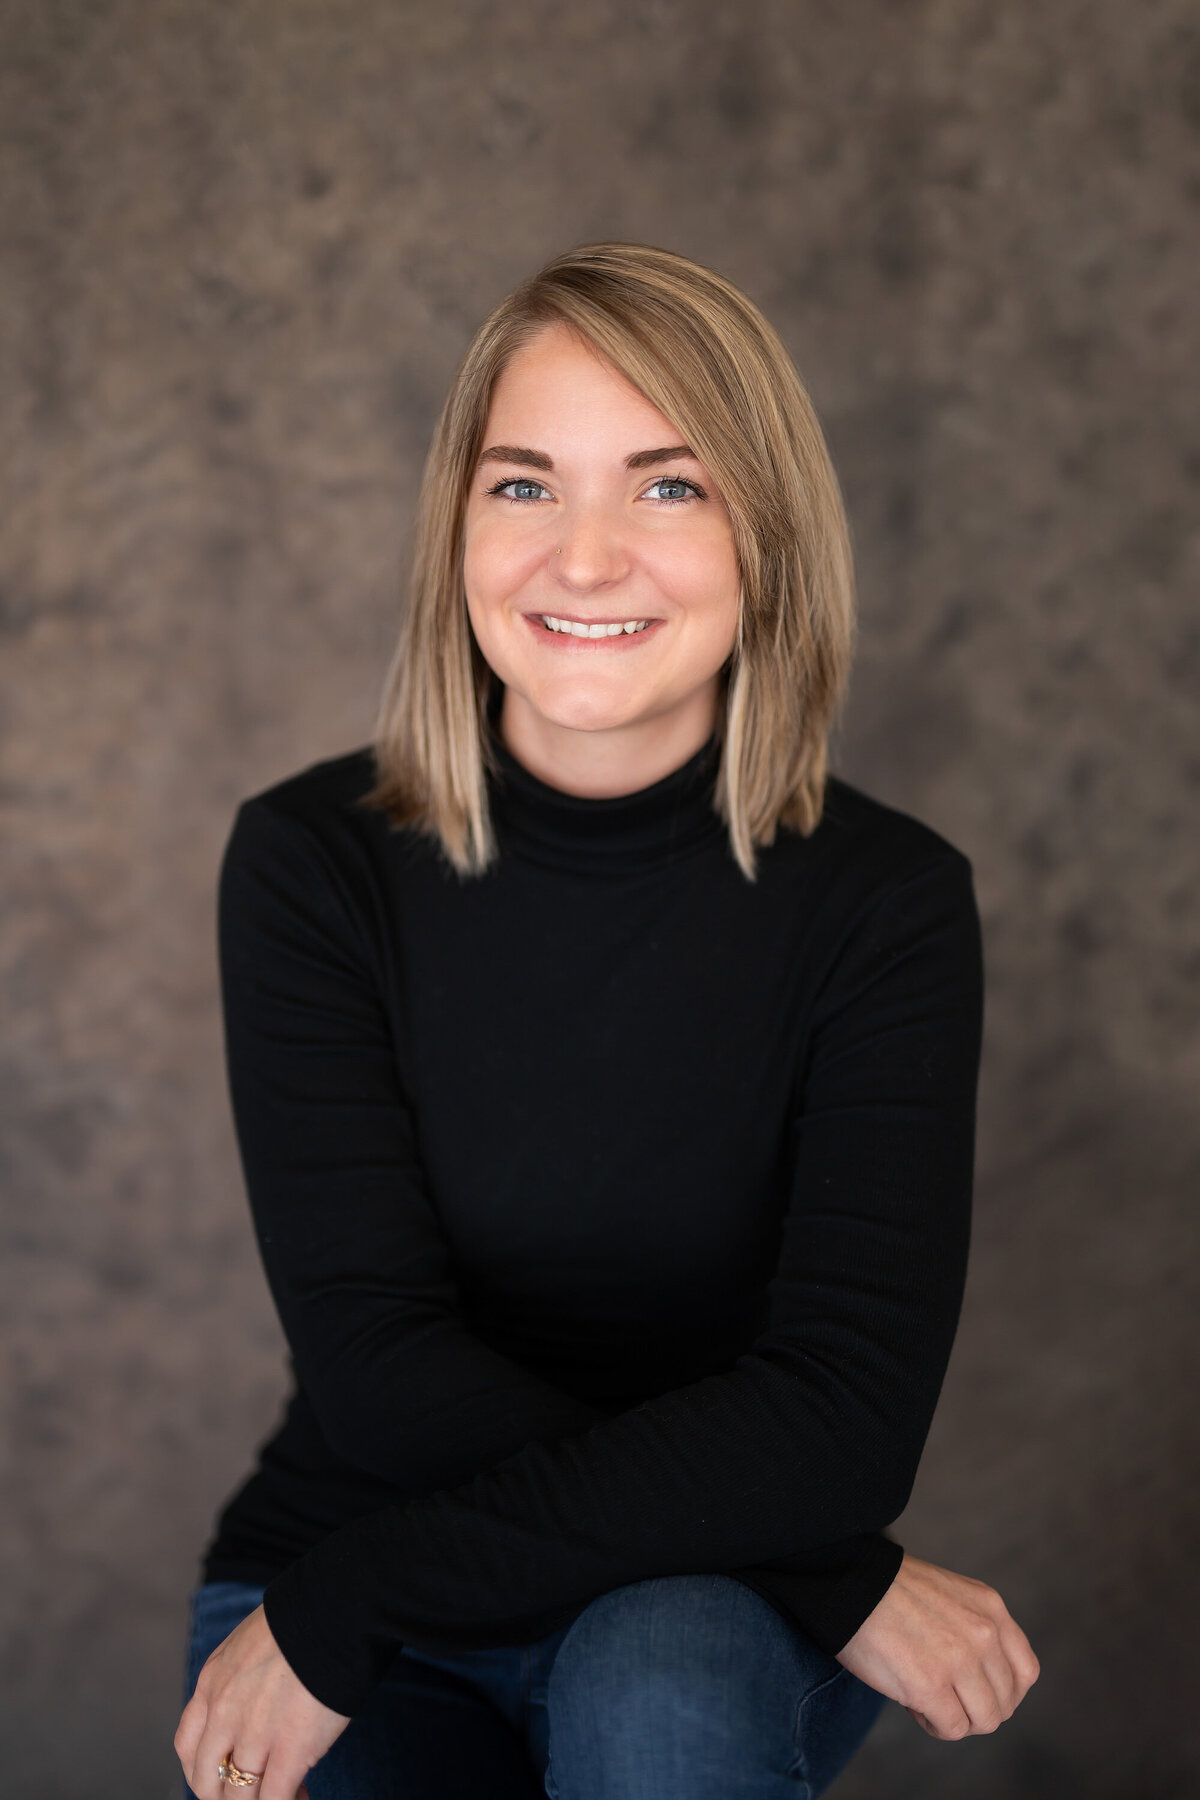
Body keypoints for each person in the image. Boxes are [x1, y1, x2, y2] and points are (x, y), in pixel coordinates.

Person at [174, 242, 1039, 1800]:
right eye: (523, 486)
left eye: (667, 486)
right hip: (368, 1570)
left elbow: (844, 1416)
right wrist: (842, 1575)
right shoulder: (312, 864)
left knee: (658, 1696)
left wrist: (353, 1595)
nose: (583, 560)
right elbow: (382, 1366)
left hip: (675, 1601)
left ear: (766, 532)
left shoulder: (887, 903)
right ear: (454, 525)